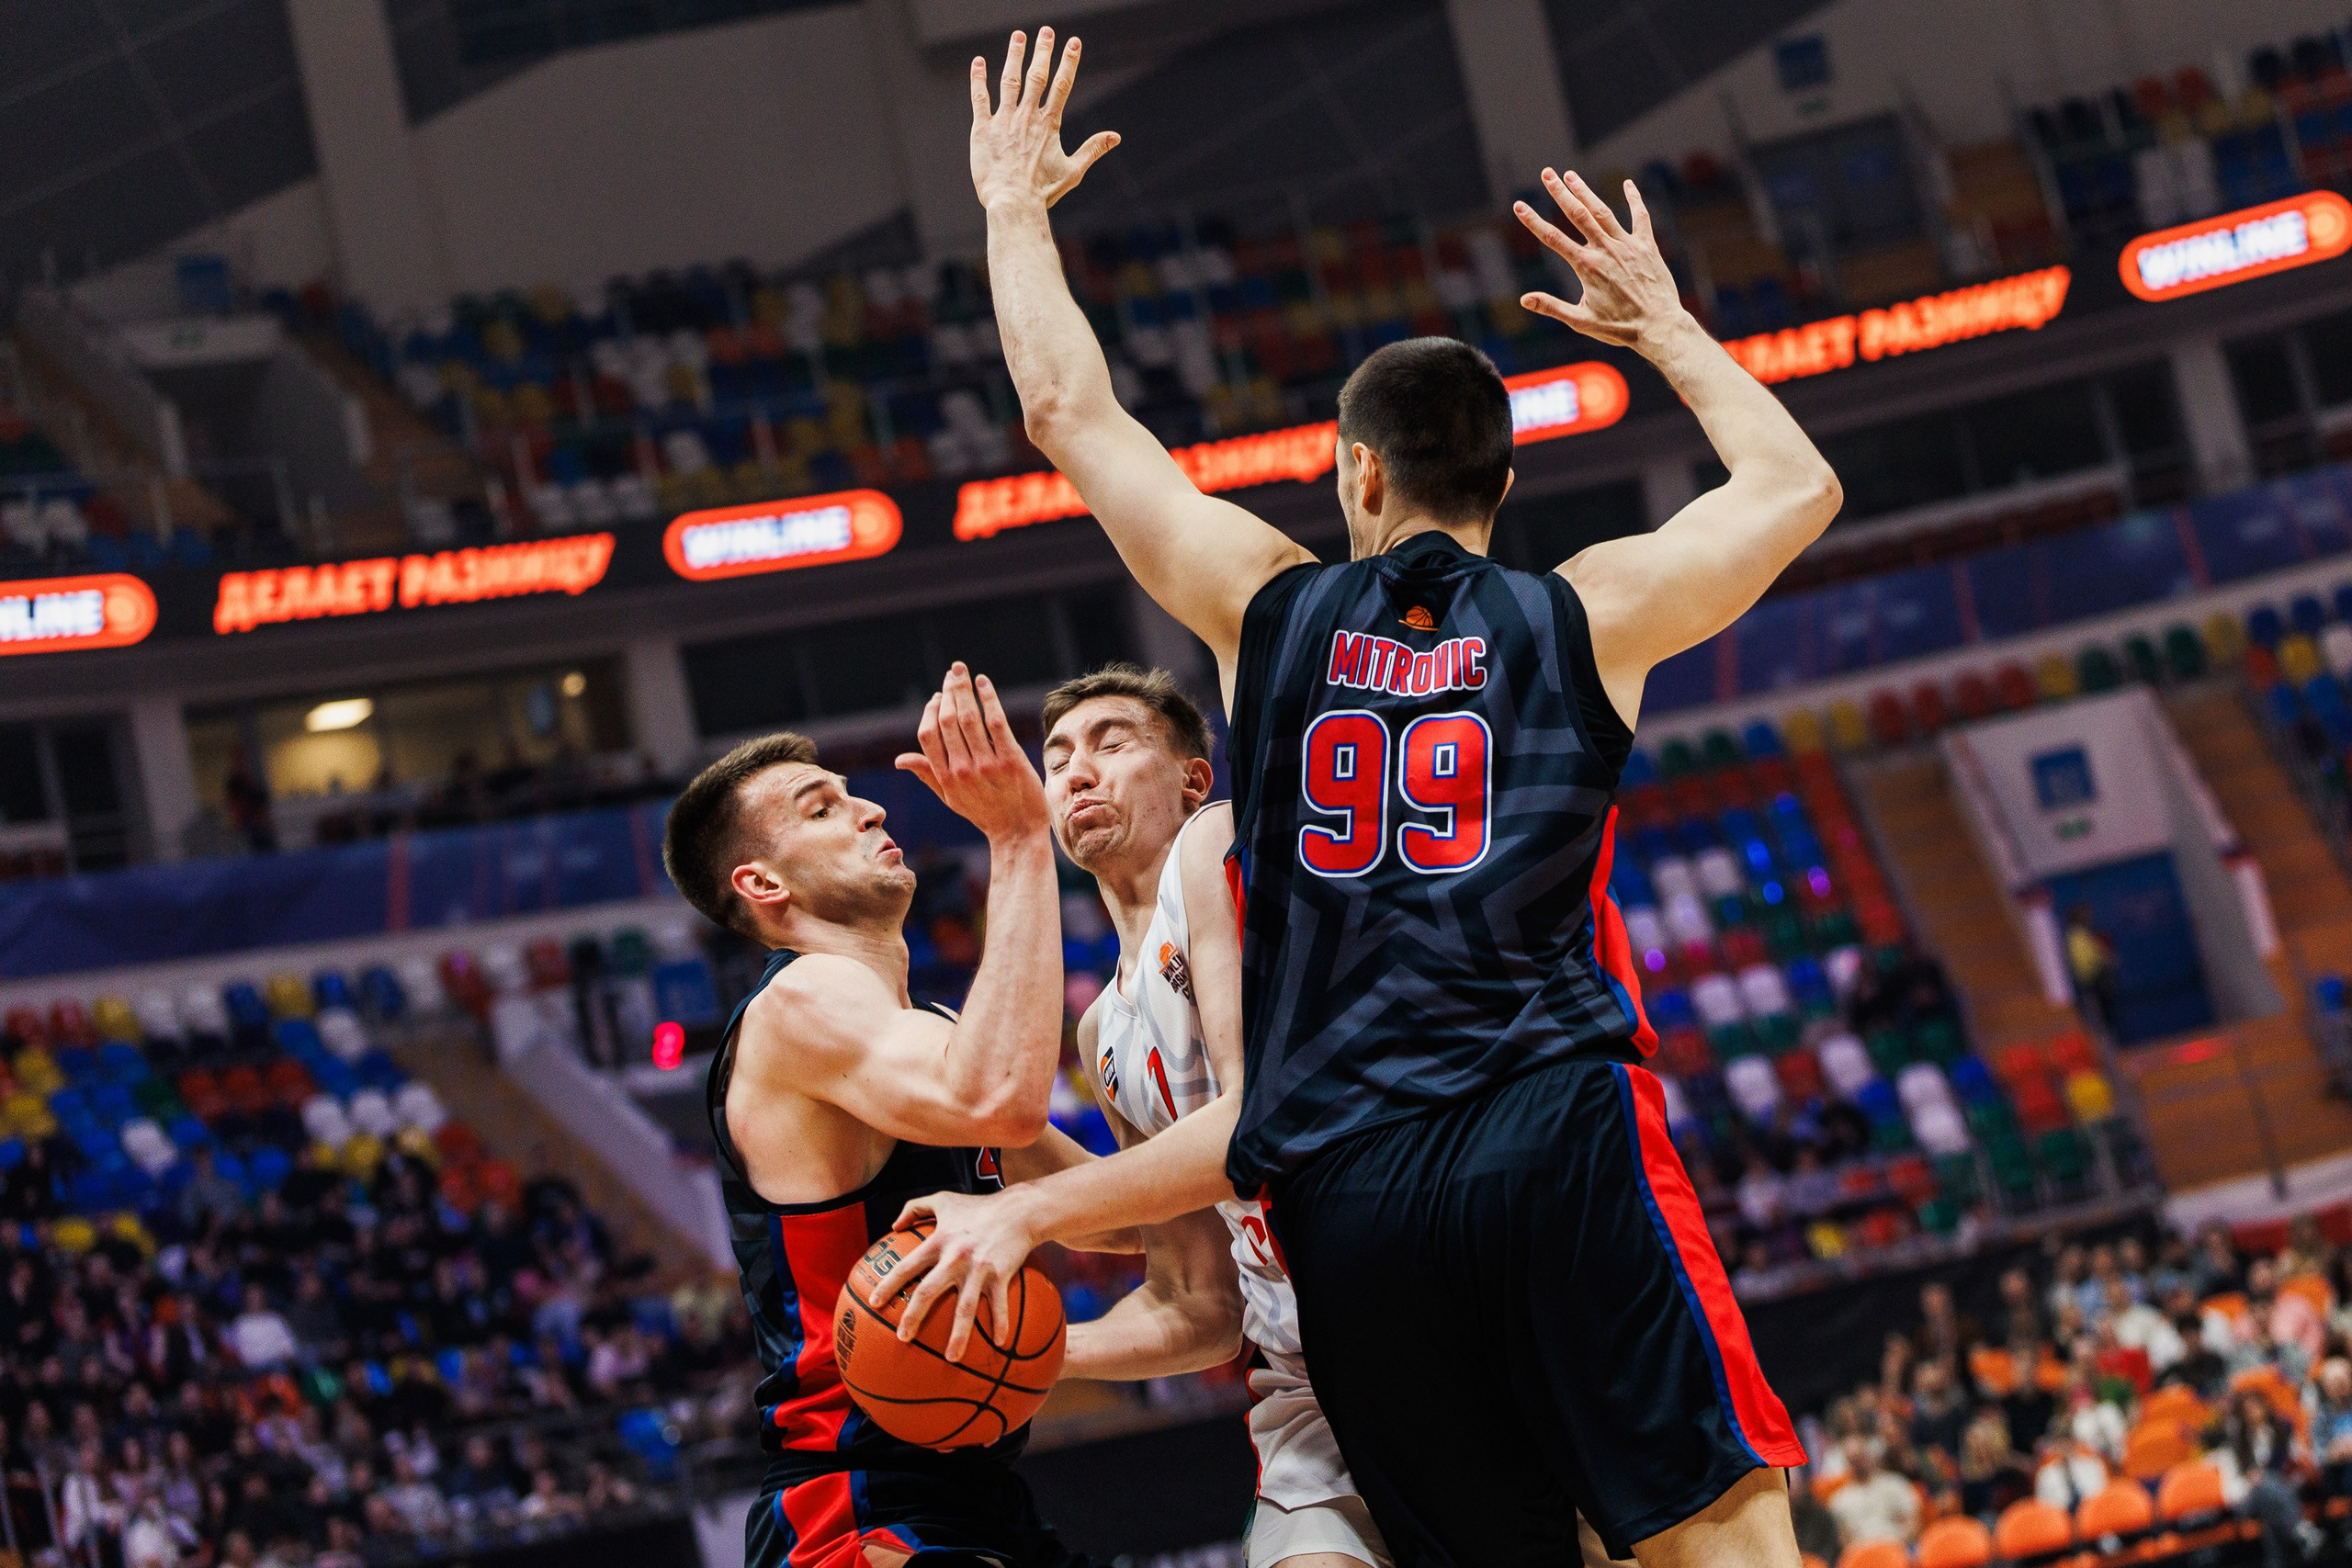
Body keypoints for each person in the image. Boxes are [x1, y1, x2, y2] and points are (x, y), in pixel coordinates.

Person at [965, 27, 1838, 1568]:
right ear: (1501, 487)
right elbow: (1793, 490)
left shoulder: (1268, 609)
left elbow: (1066, 412)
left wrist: (1013, 213)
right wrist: (1665, 330)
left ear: (1357, 477)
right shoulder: (1589, 613)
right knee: (1725, 1538)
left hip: (1351, 1196)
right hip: (1550, 1137)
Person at [897, 665, 1387, 1568]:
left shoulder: (1216, 842)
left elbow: (1248, 1130)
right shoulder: (1101, 1029)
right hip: (1305, 1387)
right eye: (1058, 758)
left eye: (1112, 743)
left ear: (1192, 778)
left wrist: (1020, 1209)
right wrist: (1023, 1360)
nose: (1077, 771)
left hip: (1420, 1318)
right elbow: (1197, 1299)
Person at [661, 664, 1114, 1568]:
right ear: (760, 883)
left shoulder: (927, 1038)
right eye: (820, 808)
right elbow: (999, 1099)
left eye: (851, 796)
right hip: (857, 1505)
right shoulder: (803, 1000)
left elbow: (1124, 1219)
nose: (868, 810)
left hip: (963, 1494)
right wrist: (1022, 836)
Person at [2064, 907, 2119, 1033]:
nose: (2089, 918)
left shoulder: (2085, 934)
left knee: (2106, 1015)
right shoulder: (2076, 936)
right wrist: (2103, 961)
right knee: (2098, 1018)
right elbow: (2085, 961)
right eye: (2085, 915)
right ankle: (2104, 1041)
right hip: (2092, 982)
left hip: (2097, 980)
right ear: (2078, 917)